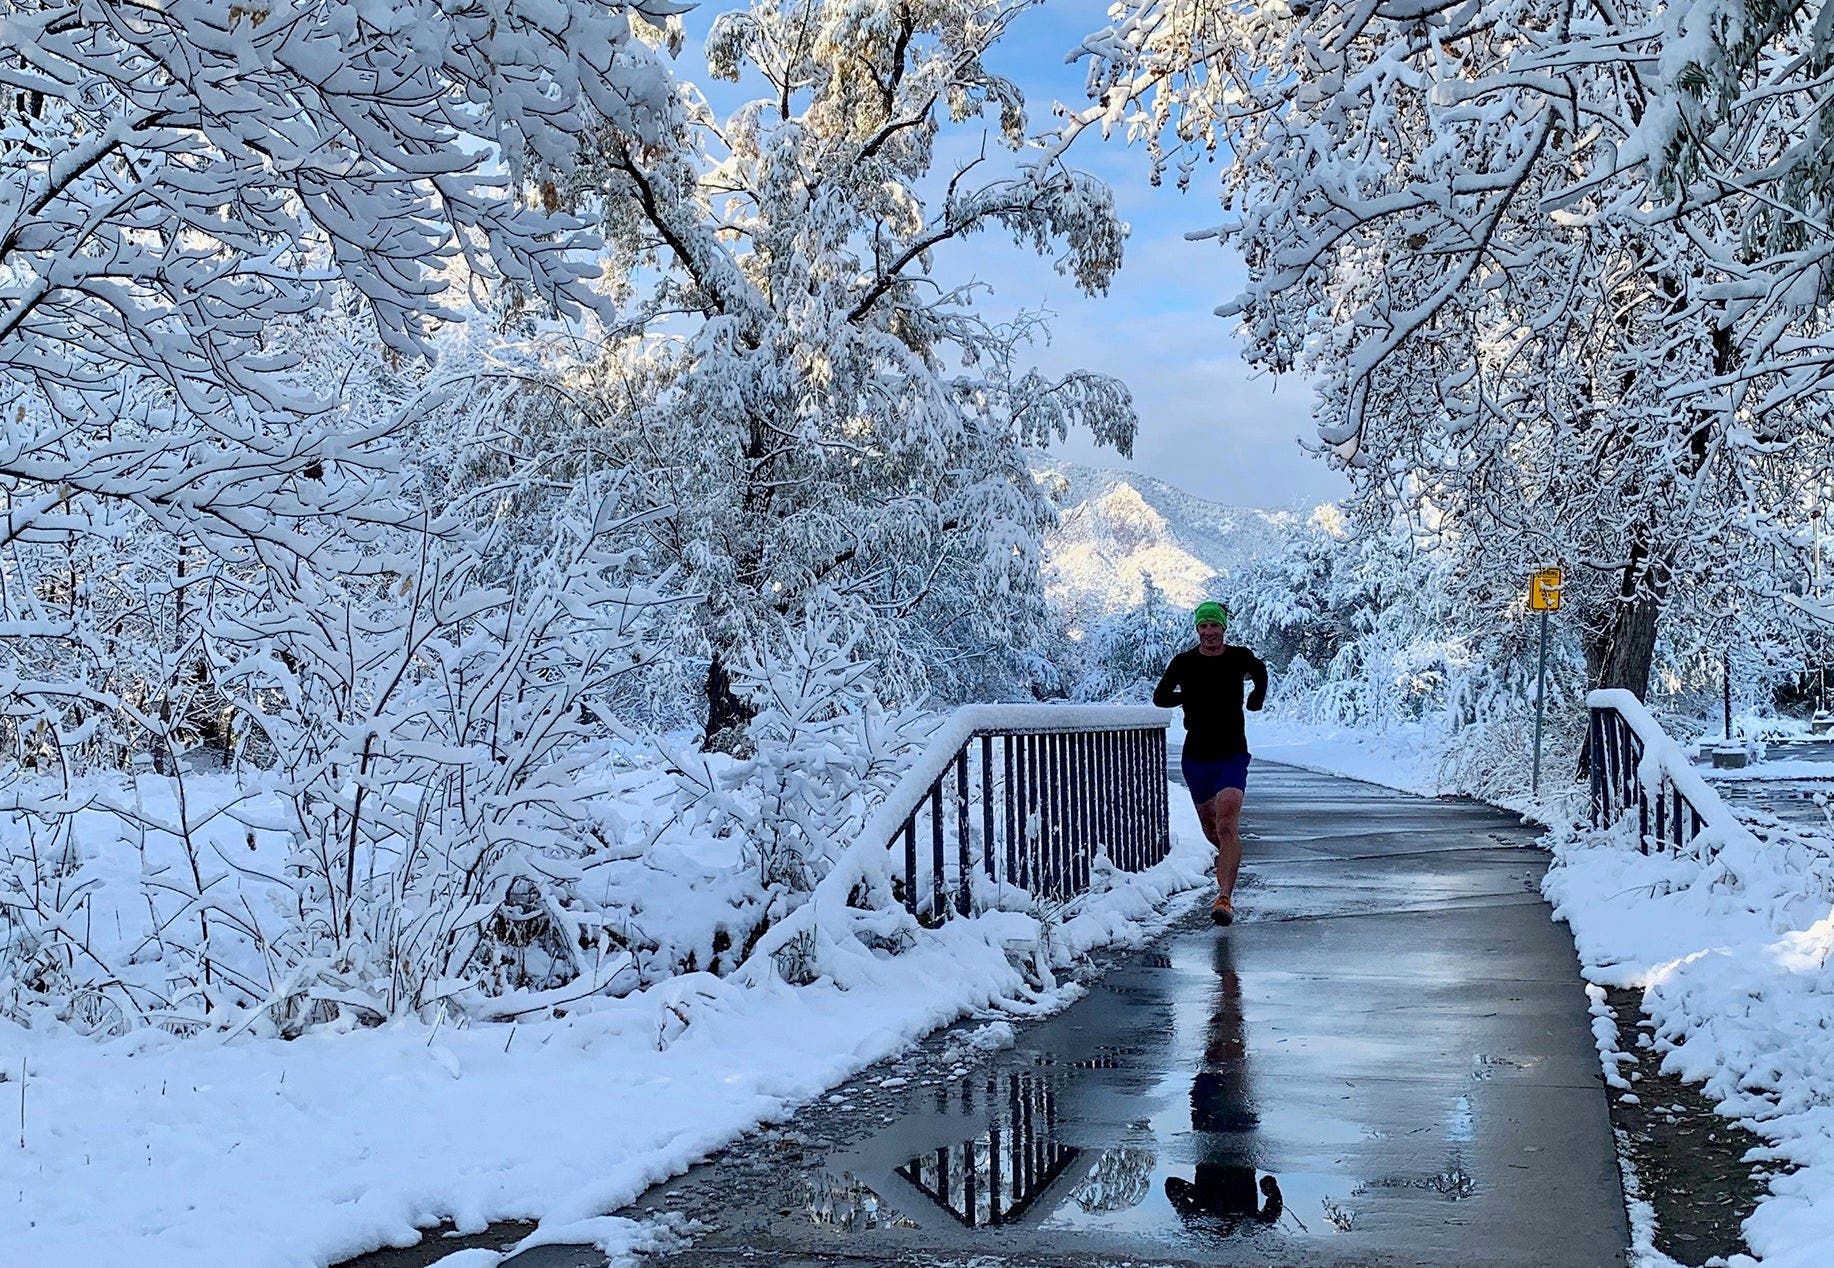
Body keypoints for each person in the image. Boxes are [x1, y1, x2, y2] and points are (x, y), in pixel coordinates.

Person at [1151, 600, 1267, 926]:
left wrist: (1255, 697)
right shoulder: (1184, 662)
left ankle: (1224, 898)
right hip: (1196, 757)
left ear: (1223, 628)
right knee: (1212, 829)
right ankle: (1229, 860)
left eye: (1215, 625)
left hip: (1232, 752)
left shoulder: (1237, 657)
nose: (1209, 632)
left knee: (1227, 822)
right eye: (1204, 626)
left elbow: (1259, 671)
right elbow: (1160, 697)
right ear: (1197, 629)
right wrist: (1187, 697)